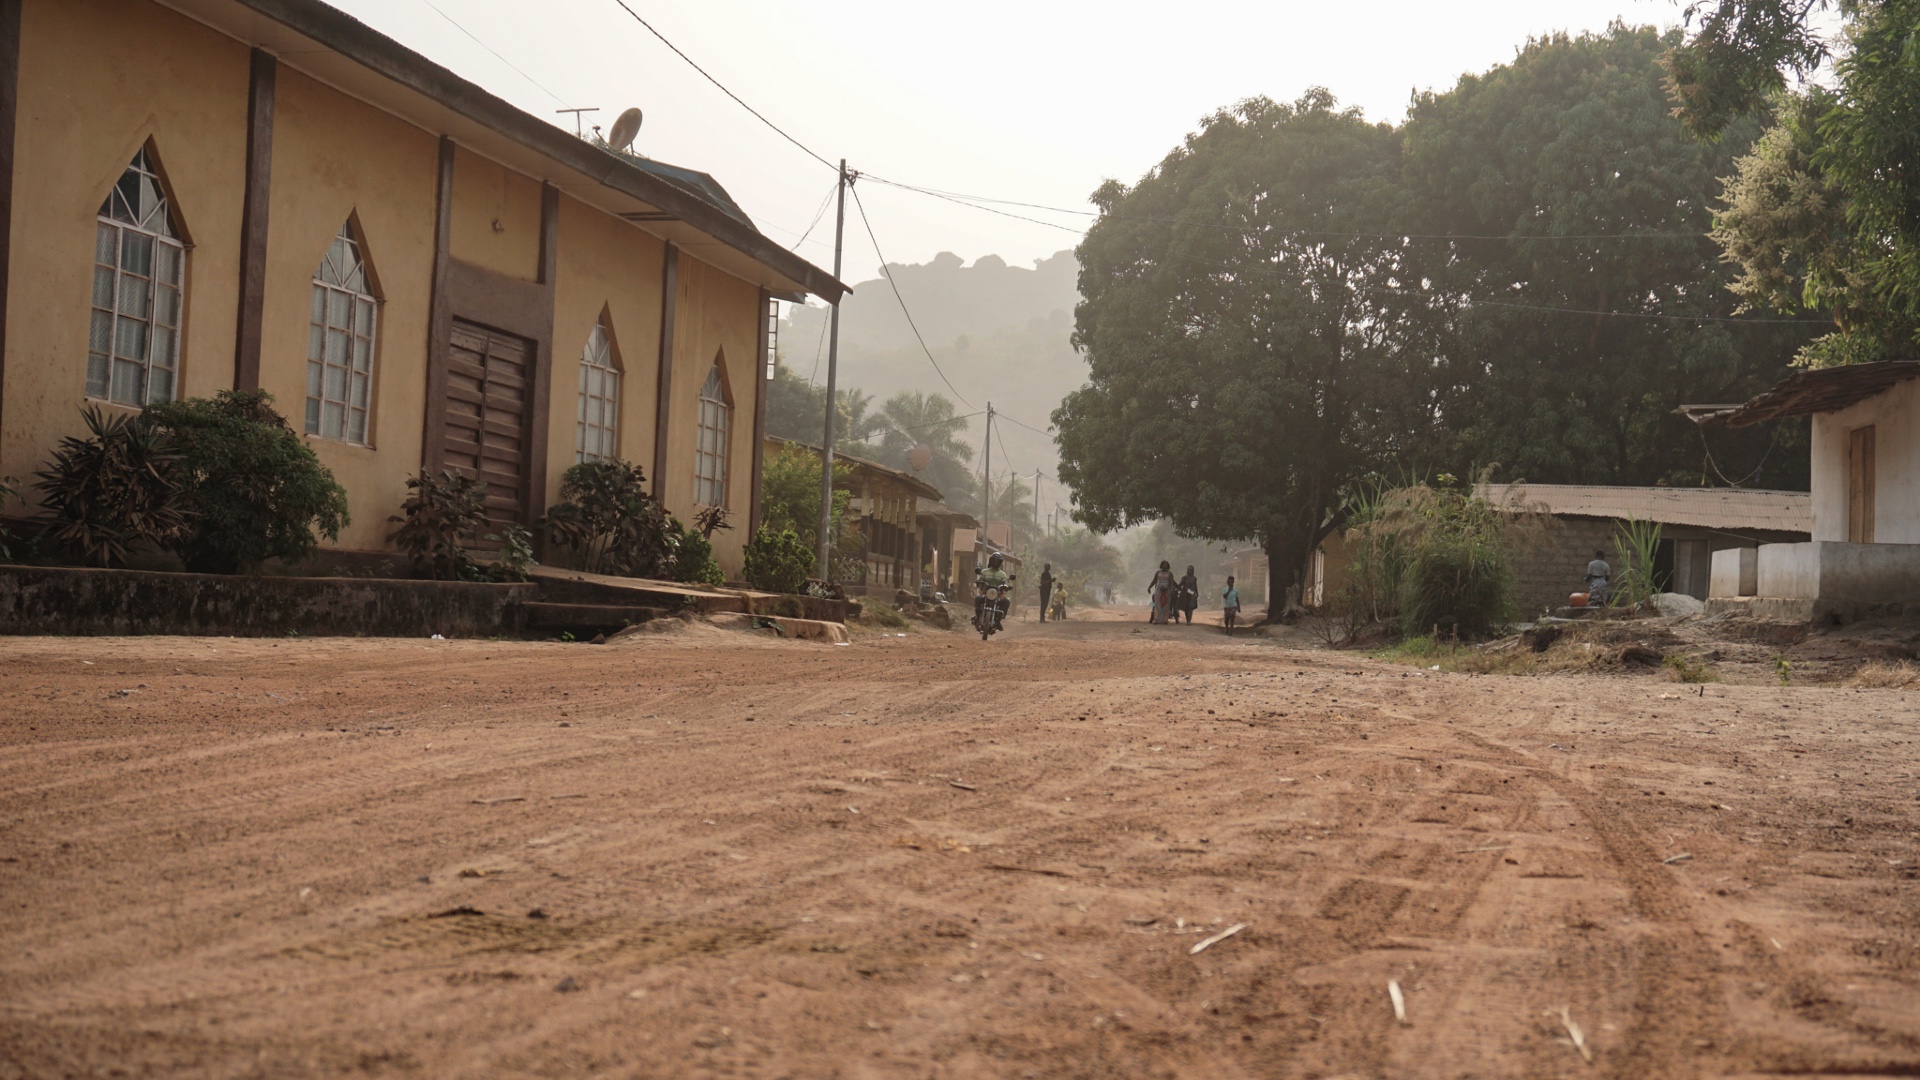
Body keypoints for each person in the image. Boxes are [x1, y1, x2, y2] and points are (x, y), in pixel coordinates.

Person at [975, 552, 1014, 629]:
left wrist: (1007, 586)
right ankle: (977, 617)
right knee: (978, 598)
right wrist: (978, 582)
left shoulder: (1002, 574)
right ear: (991, 561)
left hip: (998, 594)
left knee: (1006, 602)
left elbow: (1004, 583)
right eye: (994, 560)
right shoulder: (984, 572)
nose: (996, 563)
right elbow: (980, 580)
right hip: (986, 592)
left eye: (998, 561)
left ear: (1000, 563)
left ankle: (998, 620)